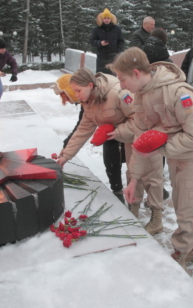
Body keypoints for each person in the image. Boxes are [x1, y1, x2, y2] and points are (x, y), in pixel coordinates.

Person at [108, 47, 193, 269]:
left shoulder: (179, 93)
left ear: (136, 73)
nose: (121, 85)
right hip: (176, 155)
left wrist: (163, 146)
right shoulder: (141, 95)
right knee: (187, 206)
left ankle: (182, 254)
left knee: (186, 209)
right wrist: (134, 178)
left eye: (123, 79)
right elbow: (141, 137)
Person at [55, 69, 164, 234]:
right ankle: (133, 211)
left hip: (146, 134)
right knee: (133, 174)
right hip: (129, 138)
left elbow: (139, 118)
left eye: (78, 90)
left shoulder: (117, 93)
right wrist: (65, 155)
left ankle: (157, 218)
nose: (76, 95)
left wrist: (118, 131)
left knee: (150, 175)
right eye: (74, 90)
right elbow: (83, 128)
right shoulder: (88, 101)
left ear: (90, 85)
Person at [89, 8, 125, 73]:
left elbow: (121, 41)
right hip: (101, 58)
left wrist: (118, 52)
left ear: (111, 19)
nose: (106, 20)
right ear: (102, 19)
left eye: (108, 18)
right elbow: (92, 41)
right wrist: (100, 43)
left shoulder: (117, 29)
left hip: (113, 59)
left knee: (112, 78)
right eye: (105, 18)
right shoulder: (97, 29)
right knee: (101, 78)